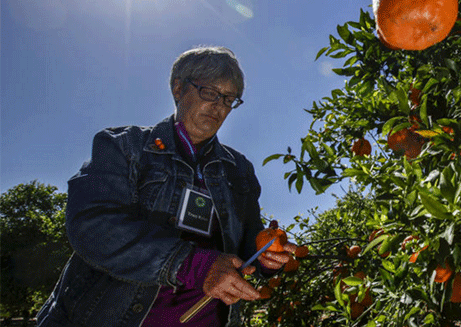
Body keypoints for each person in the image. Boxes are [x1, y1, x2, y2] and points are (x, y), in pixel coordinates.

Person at [37, 46, 295, 327]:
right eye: (209, 92)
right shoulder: (126, 147)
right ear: (178, 89)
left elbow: (247, 244)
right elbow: (92, 226)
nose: (219, 106)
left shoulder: (238, 169)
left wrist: (265, 256)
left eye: (229, 98)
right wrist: (192, 264)